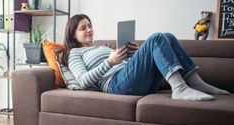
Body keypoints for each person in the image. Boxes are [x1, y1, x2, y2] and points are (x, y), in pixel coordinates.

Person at [59, 14, 229, 101]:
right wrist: (109, 62)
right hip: (116, 85)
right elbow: (82, 81)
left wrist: (133, 54)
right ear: (73, 35)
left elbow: (125, 66)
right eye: (83, 28)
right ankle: (179, 88)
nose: (89, 29)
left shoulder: (101, 47)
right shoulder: (74, 53)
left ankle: (197, 84)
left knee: (167, 36)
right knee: (156, 37)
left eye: (90, 25)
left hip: (130, 78)